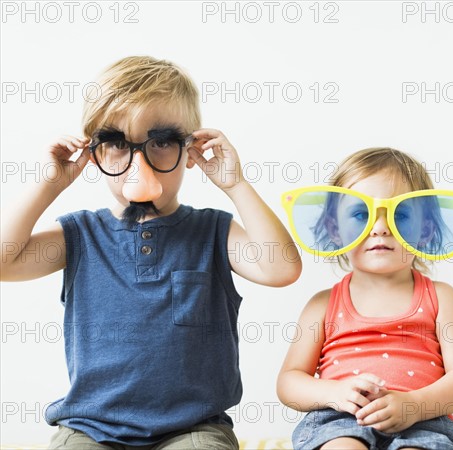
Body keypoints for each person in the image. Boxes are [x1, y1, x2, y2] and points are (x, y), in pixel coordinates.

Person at [0, 56, 302, 449]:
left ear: (189, 149)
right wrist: (48, 186)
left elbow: (281, 269)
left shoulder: (214, 231)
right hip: (90, 427)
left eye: (160, 142)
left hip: (193, 427)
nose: (137, 163)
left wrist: (236, 185)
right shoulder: (80, 234)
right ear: (95, 154)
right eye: (117, 144)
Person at [277, 147, 453, 450]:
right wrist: (334, 393)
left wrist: (414, 403)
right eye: (361, 214)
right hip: (340, 420)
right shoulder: (321, 306)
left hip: (423, 420)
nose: (381, 227)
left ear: (425, 229)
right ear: (335, 229)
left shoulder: (442, 298)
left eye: (399, 214)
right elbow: (289, 382)